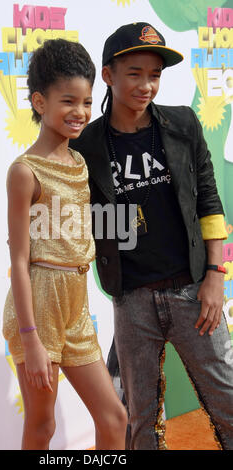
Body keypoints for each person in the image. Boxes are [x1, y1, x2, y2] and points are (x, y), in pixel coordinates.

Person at [71, 22, 233, 450]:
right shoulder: (86, 145)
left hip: (193, 291)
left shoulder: (183, 125)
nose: (147, 85)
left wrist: (216, 275)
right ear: (108, 75)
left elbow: (209, 202)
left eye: (155, 75)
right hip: (133, 301)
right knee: (139, 421)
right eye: (135, 73)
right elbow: (91, 217)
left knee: (228, 399)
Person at [2, 38, 127, 451]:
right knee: (42, 427)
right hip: (39, 306)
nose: (80, 113)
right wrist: (31, 339)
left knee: (114, 418)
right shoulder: (24, 172)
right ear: (40, 102)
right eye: (68, 101)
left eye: (88, 102)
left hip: (76, 304)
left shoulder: (80, 163)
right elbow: (19, 262)